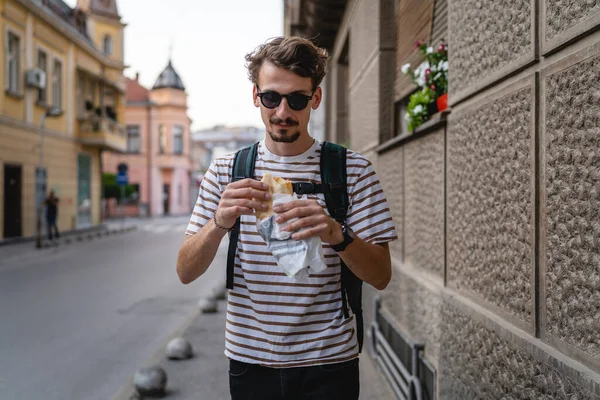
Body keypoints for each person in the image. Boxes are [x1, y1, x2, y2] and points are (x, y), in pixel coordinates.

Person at [177, 36, 398, 400]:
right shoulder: (225, 172)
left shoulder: (353, 170)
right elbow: (185, 271)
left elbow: (381, 275)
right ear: (255, 96)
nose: (282, 112)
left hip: (330, 361)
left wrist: (335, 233)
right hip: (250, 360)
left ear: (316, 98)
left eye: (296, 99)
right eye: (271, 98)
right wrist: (220, 222)